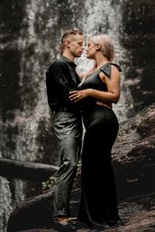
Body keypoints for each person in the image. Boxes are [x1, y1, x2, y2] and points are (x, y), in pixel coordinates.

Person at [69, 34, 123, 230]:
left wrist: (89, 92)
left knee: (94, 167)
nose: (86, 48)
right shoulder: (90, 71)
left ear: (99, 47)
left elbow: (114, 96)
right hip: (92, 121)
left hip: (103, 120)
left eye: (89, 45)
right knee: (97, 167)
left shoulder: (111, 68)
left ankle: (97, 218)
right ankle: (99, 216)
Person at [46, 29, 84, 230]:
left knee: (72, 163)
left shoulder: (70, 66)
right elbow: (68, 94)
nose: (83, 47)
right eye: (79, 43)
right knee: (69, 163)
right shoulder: (59, 64)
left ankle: (65, 215)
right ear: (67, 43)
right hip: (66, 118)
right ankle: (60, 218)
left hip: (74, 118)